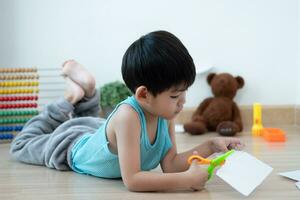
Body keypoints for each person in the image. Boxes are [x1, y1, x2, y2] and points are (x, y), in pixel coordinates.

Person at [10, 30, 243, 192]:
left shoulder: (165, 114)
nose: (182, 101)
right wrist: (184, 181)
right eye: (175, 95)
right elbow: (132, 180)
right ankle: (71, 97)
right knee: (22, 144)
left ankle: (88, 92)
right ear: (143, 94)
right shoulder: (128, 117)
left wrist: (210, 146)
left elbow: (170, 164)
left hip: (98, 135)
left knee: (90, 123)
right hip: (69, 146)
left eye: (184, 92)